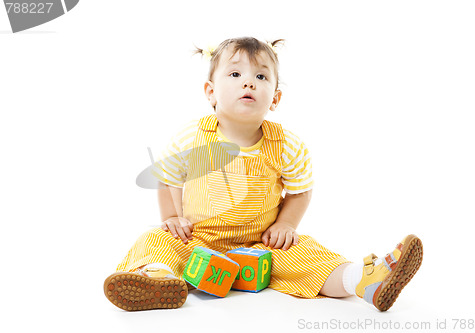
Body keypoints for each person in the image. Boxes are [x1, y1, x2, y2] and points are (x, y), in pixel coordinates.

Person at [103, 37, 423, 312]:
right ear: (210, 92)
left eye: (260, 76)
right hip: (197, 240)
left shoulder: (286, 146)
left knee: (307, 254)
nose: (249, 82)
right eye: (235, 73)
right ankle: (155, 279)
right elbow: (168, 176)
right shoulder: (192, 137)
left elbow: (300, 191)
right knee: (156, 240)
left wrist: (285, 225)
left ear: (276, 98)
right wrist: (172, 216)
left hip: (260, 244)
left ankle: (365, 280)